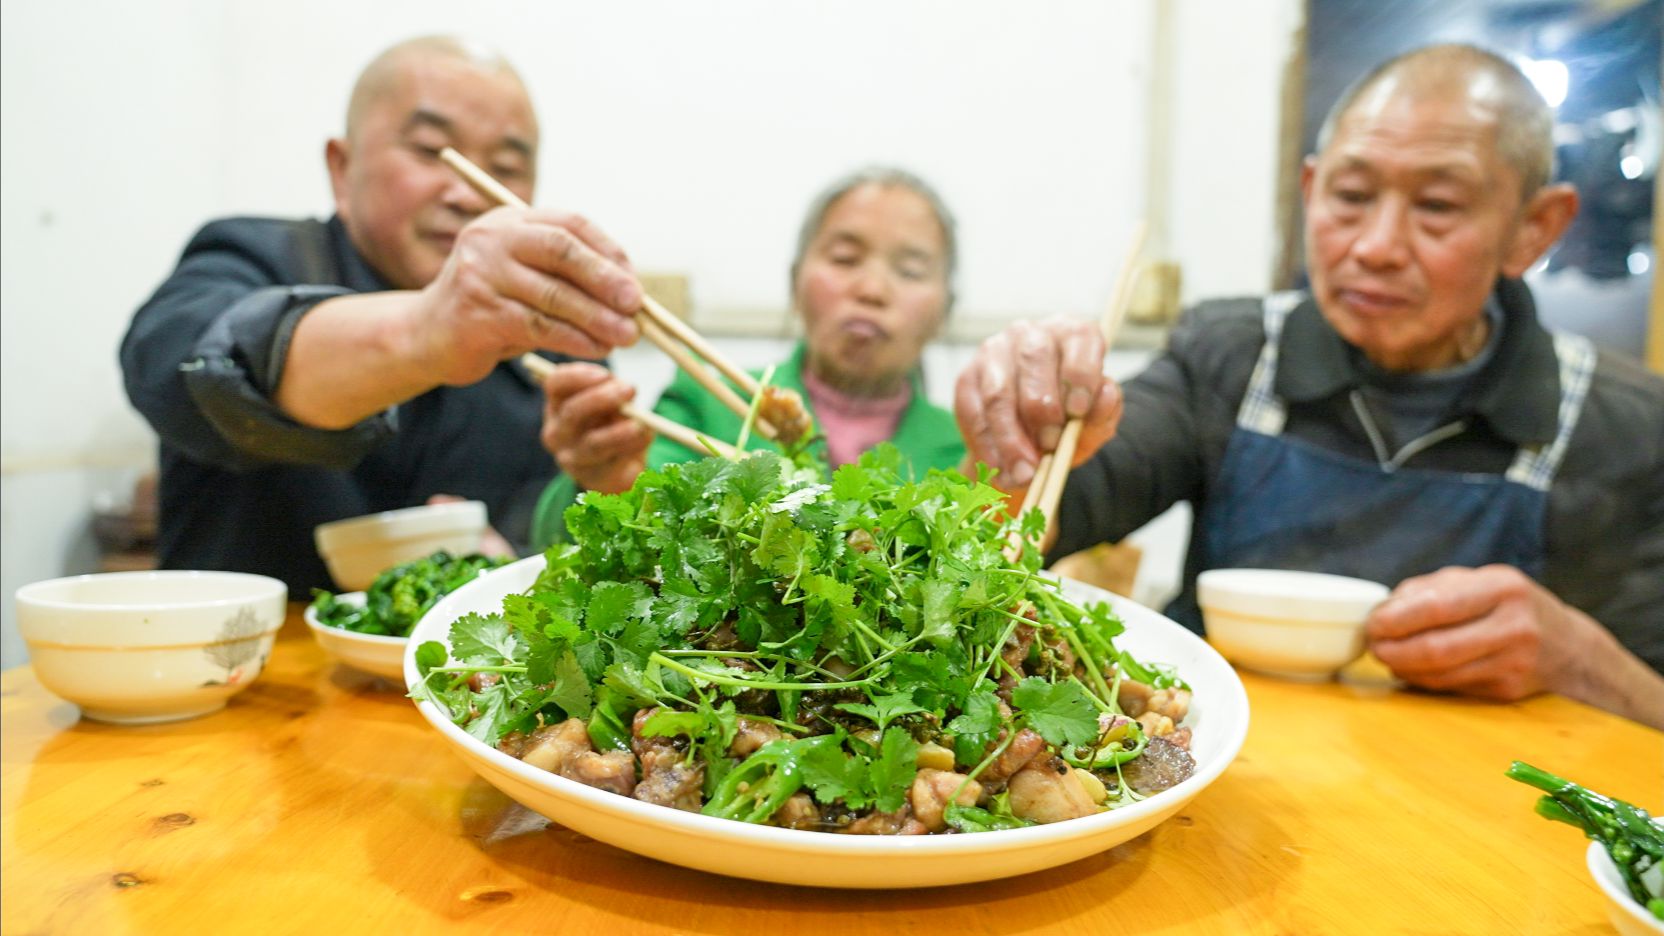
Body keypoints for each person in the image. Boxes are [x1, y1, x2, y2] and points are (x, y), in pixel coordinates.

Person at [953, 45, 1664, 729]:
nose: (1376, 246)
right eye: (1351, 196)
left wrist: (1577, 660)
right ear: (1310, 191)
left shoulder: (1628, 425)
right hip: (1213, 769)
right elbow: (1026, 531)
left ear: (1533, 230)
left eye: (1438, 206)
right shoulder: (1230, 353)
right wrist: (1012, 437)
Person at [120, 36, 643, 595]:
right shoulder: (252, 258)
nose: (469, 193)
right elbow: (175, 364)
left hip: (471, 676)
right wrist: (425, 331)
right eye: (430, 151)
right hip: (248, 671)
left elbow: (575, 564)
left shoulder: (550, 334)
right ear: (342, 169)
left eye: (506, 166)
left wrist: (601, 488)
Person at [529, 166, 966, 547]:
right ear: (796, 282)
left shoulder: (969, 451)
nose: (872, 289)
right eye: (845, 258)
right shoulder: (708, 398)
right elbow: (569, 532)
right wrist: (602, 478)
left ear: (945, 309)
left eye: (910, 271)